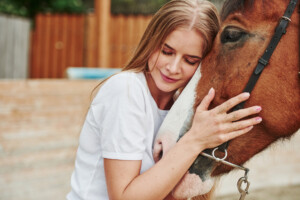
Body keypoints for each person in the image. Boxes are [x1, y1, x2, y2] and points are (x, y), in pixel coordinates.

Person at [67, 0, 262, 200]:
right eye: (167, 52)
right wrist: (195, 140)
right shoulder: (126, 90)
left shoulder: (181, 111)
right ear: (152, 42)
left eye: (190, 60)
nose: (173, 67)